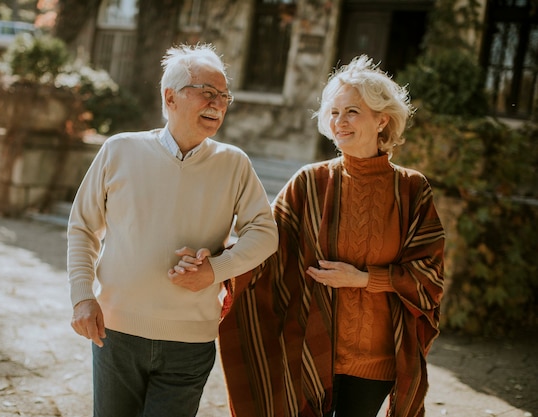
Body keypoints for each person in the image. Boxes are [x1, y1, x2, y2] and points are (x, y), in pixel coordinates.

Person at [176, 54, 445, 417]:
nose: (339, 122)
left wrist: (364, 279)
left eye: (352, 111)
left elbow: (429, 275)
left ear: (382, 119)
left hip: (377, 356)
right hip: (309, 348)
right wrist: (220, 262)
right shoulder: (310, 182)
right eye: (333, 112)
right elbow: (265, 247)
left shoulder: (411, 189)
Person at [66, 43, 278, 417]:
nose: (218, 103)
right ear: (170, 96)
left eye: (224, 96)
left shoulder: (235, 164)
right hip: (116, 333)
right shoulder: (119, 150)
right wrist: (83, 296)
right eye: (207, 92)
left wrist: (217, 269)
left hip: (190, 341)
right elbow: (83, 227)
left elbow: (265, 233)